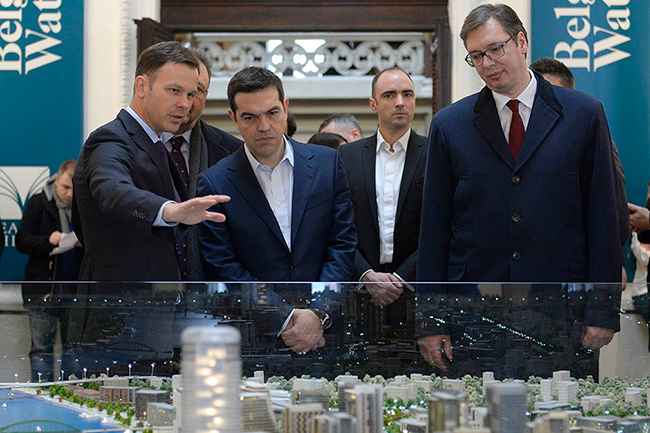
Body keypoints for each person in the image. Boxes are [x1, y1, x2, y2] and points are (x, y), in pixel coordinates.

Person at [418, 4, 622, 371]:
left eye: (495, 49)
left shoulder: (584, 114)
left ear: (522, 42)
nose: (488, 63)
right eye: (476, 56)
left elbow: (603, 217)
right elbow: (434, 229)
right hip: (475, 315)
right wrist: (431, 320)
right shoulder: (450, 125)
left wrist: (603, 310)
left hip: (563, 313)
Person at [197, 66, 357, 354]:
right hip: (256, 339)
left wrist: (318, 313)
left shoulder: (328, 164)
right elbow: (223, 265)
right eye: (250, 117)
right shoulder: (214, 182)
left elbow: (342, 244)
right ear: (234, 118)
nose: (264, 126)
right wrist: (284, 316)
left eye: (272, 112)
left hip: (327, 332)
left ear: (285, 108)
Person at [73, 41, 229, 282]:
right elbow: (111, 190)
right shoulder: (110, 138)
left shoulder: (156, 143)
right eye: (174, 90)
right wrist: (168, 210)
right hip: (119, 300)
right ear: (142, 86)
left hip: (158, 300)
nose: (185, 104)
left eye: (190, 94)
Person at [530, 57, 630, 286]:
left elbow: (614, 216)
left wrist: (613, 265)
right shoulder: (515, 144)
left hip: (573, 281)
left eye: (554, 94)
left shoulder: (594, 141)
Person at [339, 67, 427, 308]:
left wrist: (401, 278)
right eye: (389, 95)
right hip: (359, 289)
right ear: (373, 104)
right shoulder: (347, 156)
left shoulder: (435, 153)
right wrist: (365, 274)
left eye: (407, 94)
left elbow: (441, 226)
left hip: (418, 287)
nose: (400, 102)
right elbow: (336, 225)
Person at [161, 48, 242, 281]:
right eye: (178, 90)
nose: (187, 101)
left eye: (196, 91)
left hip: (215, 287)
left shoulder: (233, 152)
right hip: (145, 287)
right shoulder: (128, 146)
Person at [16, 160, 84, 381]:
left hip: (75, 291)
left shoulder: (84, 206)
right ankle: (41, 393)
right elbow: (22, 241)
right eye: (65, 187)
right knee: (41, 350)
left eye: (74, 189)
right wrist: (49, 240)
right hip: (42, 290)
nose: (69, 194)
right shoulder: (39, 202)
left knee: (73, 351)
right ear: (56, 179)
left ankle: (71, 393)